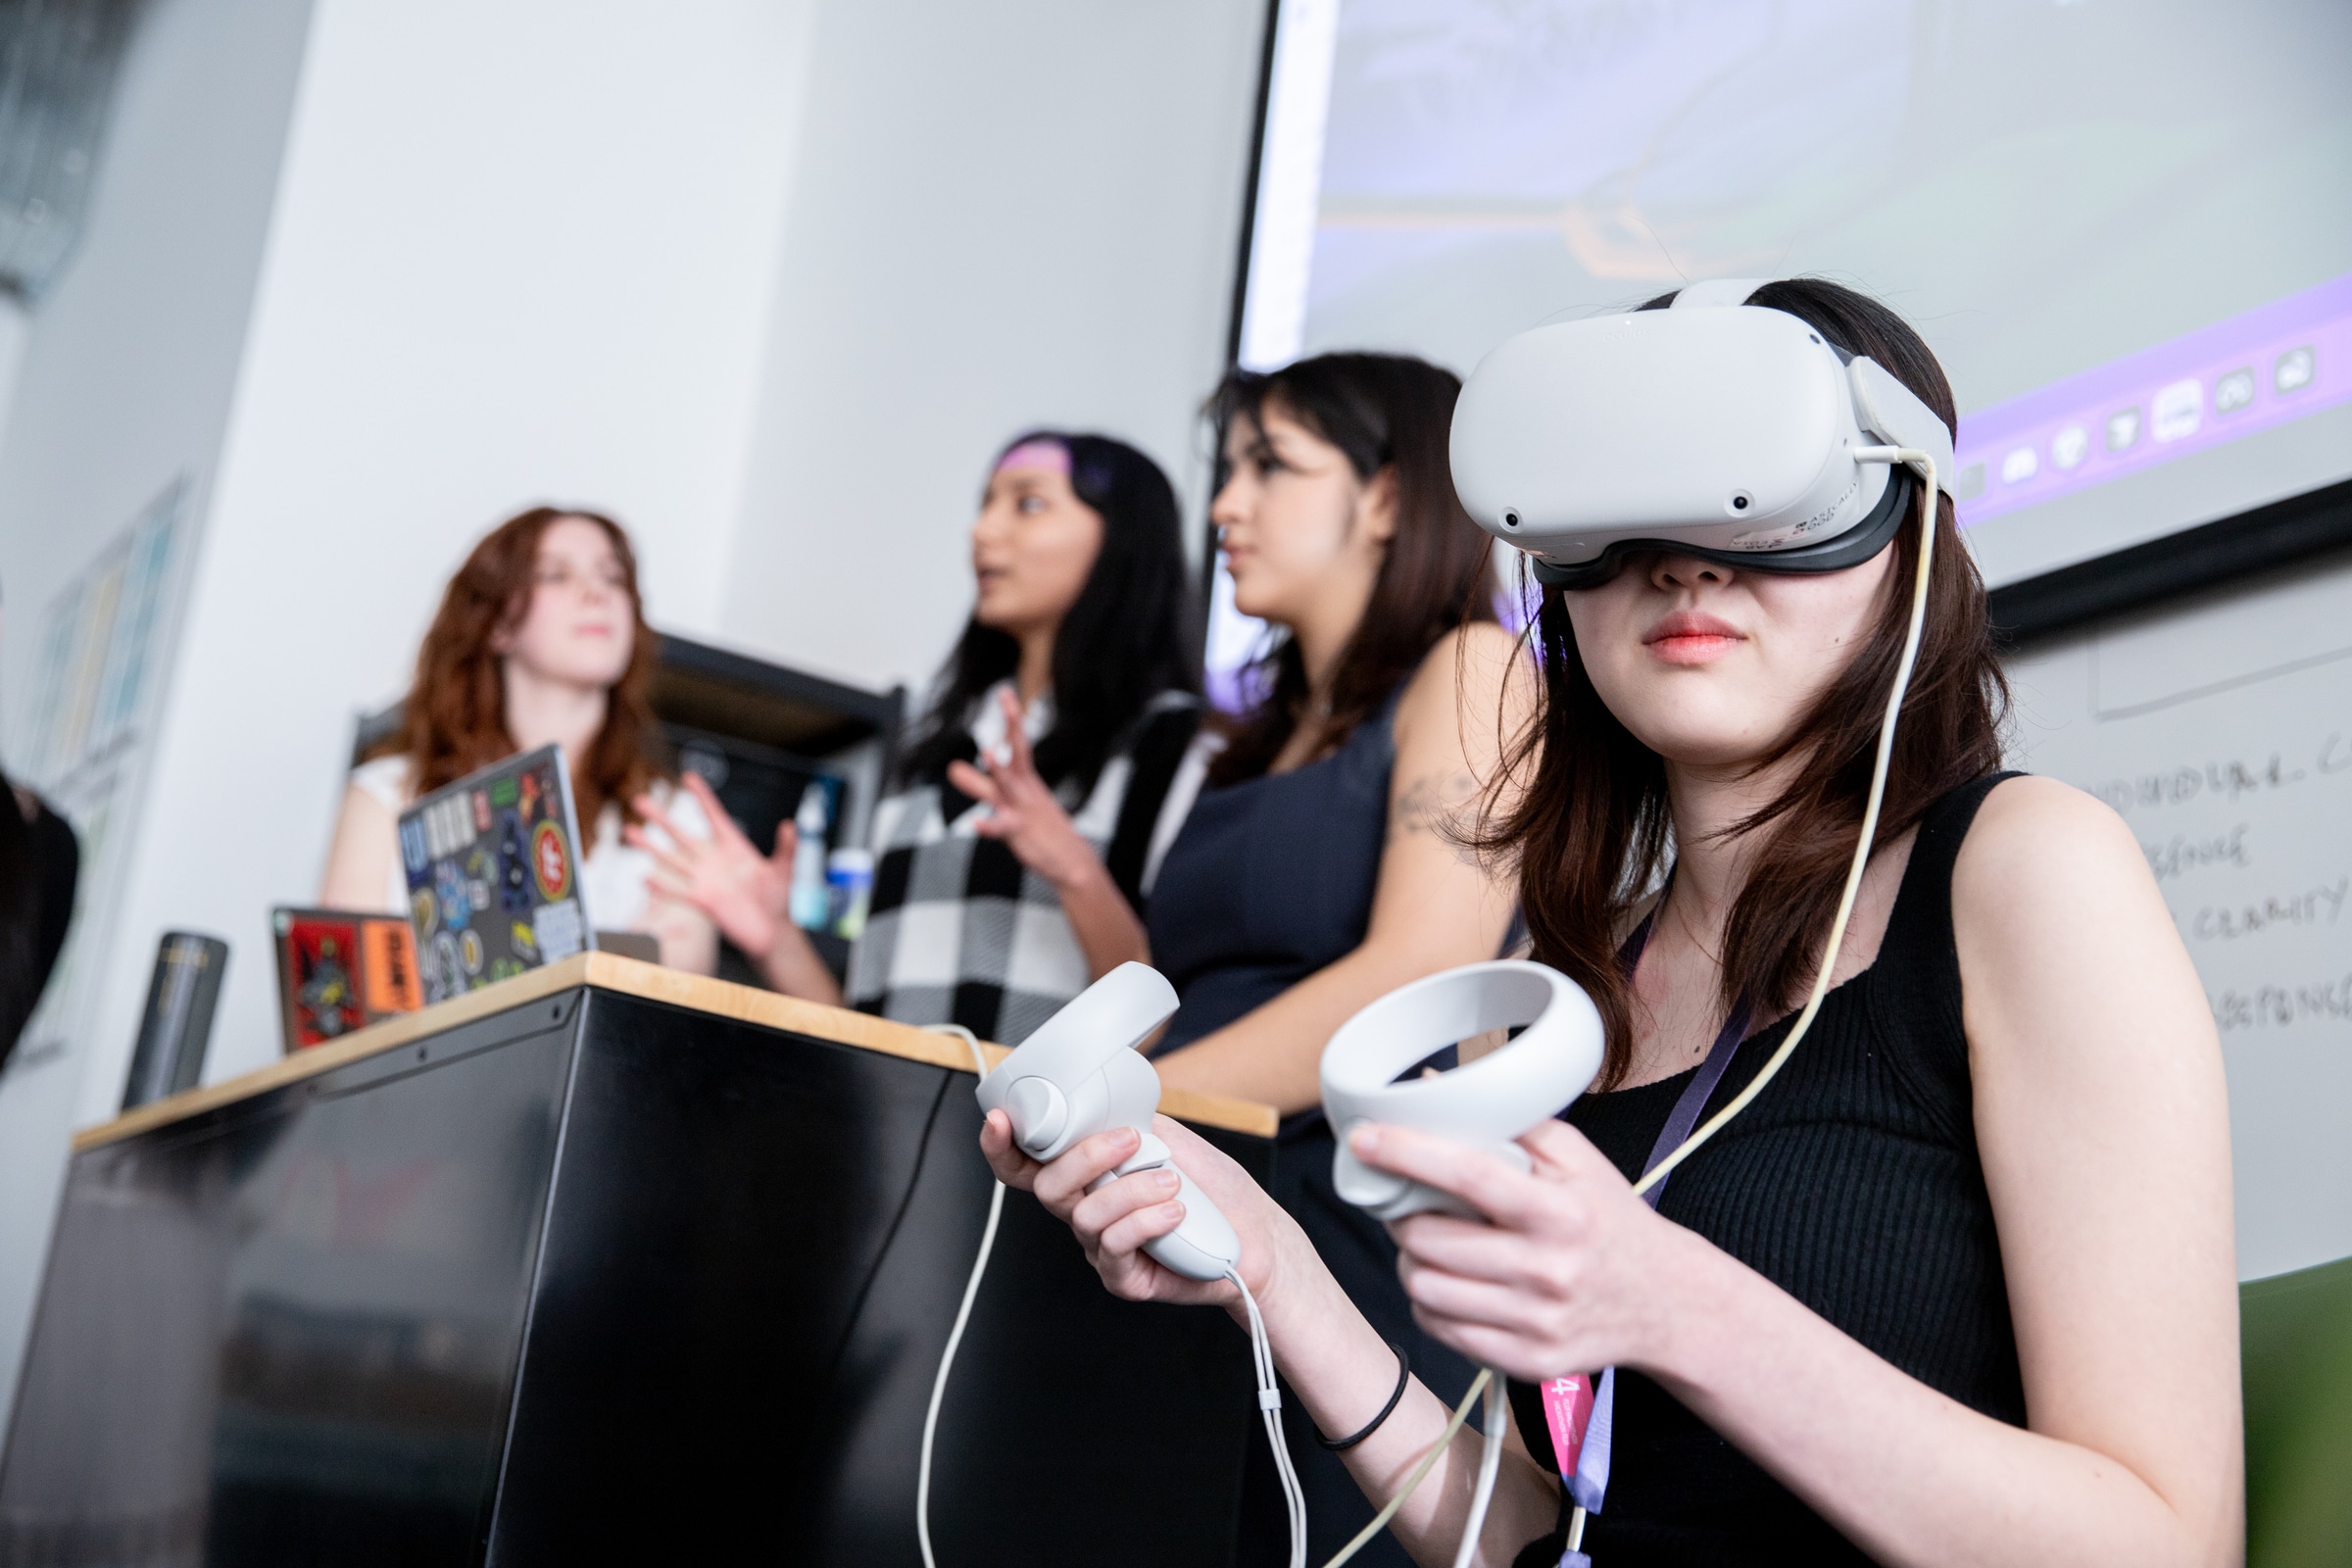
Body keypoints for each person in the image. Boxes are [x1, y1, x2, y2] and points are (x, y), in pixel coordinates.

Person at [984, 282, 2240, 1566]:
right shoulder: (1558, 995)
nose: (1688, 557)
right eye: (1625, 501)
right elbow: (1545, 1531)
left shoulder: (2026, 874)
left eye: (1766, 492)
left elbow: (2167, 1545)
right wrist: (1277, 1270)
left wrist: (1680, 1310)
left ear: (1904, 521)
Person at [1143, 352, 1533, 1563]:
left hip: (1342, 1240)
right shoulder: (1246, 743)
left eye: (1269, 467)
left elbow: (1418, 969)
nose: (1224, 507)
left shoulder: (1476, 669)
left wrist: (1134, 1114)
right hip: (1188, 1220)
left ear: (1384, 494)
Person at [632, 431, 1202, 1045]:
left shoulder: (1171, 749)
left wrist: (1074, 870)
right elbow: (874, 1038)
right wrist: (777, 940)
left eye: (1028, 503)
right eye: (985, 504)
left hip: (1044, 1137)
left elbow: (1166, 1021)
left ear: (1123, 537)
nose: (981, 531)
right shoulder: (936, 754)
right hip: (889, 1135)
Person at [320, 507, 717, 973]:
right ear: (497, 624)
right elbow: (343, 1008)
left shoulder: (671, 820)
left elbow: (660, 1021)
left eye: (613, 578)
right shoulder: (388, 796)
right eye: (555, 575)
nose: (597, 594)